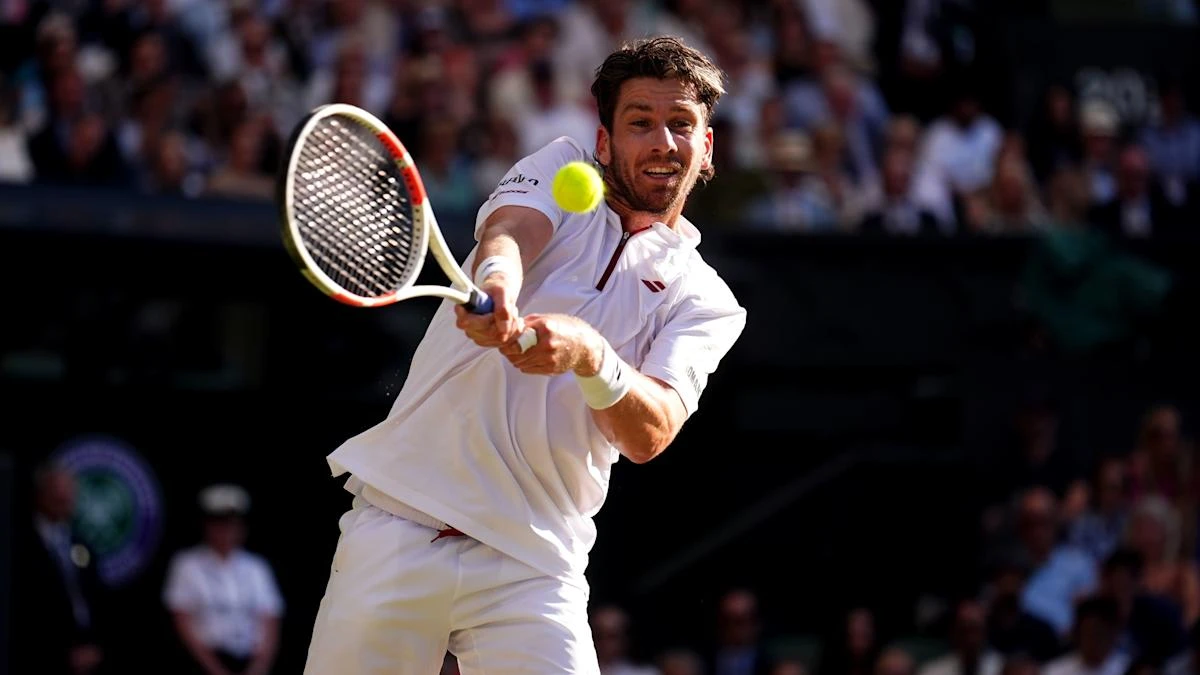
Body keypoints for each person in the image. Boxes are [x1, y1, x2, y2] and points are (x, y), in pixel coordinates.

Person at [303, 36, 747, 674]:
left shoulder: (707, 299)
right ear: (603, 143)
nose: (663, 142)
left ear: (706, 145)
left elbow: (652, 432)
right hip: (401, 526)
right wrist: (499, 287)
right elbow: (508, 234)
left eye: (681, 125)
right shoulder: (562, 166)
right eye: (640, 123)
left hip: (535, 564)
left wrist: (591, 355)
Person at [163, 484, 283, 675]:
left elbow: (270, 618)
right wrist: (215, 670)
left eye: (233, 523)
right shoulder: (187, 565)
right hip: (203, 663)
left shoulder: (256, 567)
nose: (227, 530)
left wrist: (259, 667)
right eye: (220, 523)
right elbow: (182, 620)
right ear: (207, 525)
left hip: (248, 662)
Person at [13, 462, 107, 675]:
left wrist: (95, 646)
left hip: (89, 653)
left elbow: (98, 599)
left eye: (69, 493)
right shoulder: (18, 545)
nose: (64, 500)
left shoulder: (81, 545)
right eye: (57, 492)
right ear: (41, 494)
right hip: (42, 657)